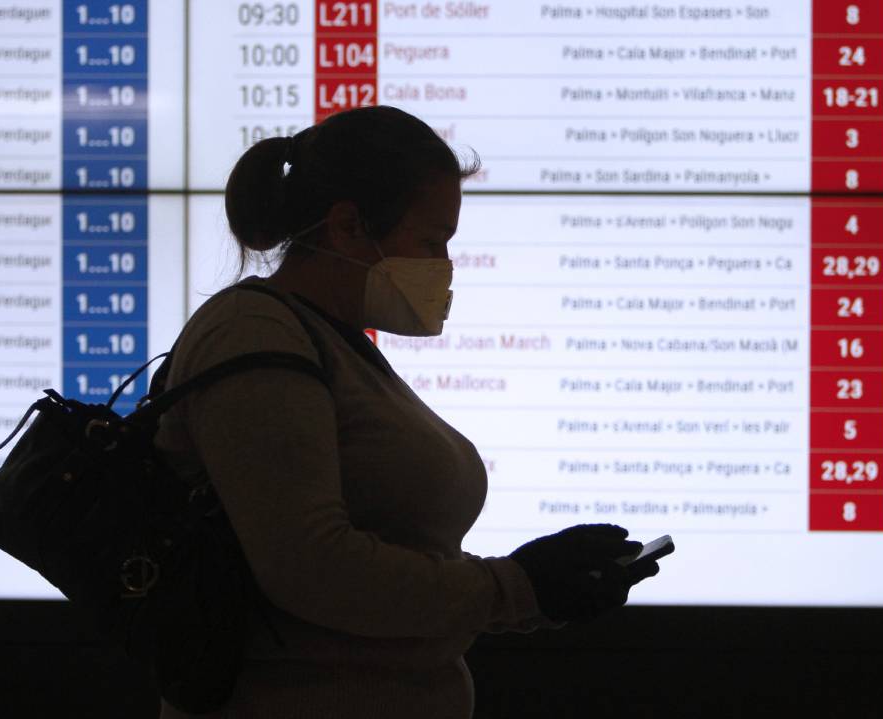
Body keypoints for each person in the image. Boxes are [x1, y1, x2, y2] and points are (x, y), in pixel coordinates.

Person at [153, 106, 654, 718]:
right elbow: (311, 568)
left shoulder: (326, 340)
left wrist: (535, 588)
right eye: (431, 241)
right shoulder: (254, 335)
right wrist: (516, 587)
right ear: (346, 226)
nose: (443, 265)